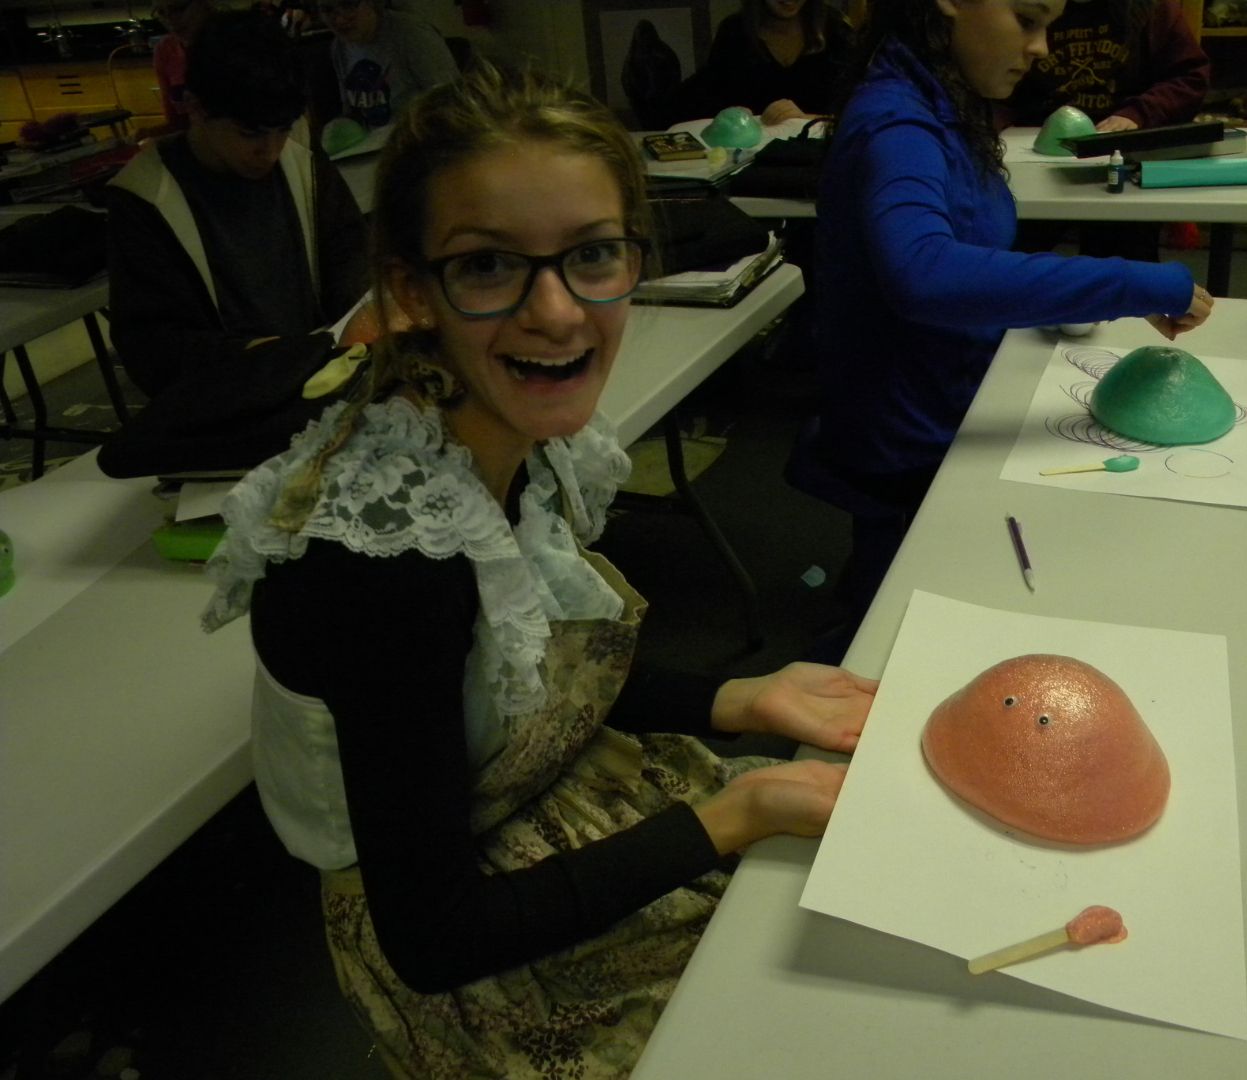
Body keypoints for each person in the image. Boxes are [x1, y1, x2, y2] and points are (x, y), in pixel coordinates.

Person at [201, 63, 874, 1078]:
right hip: (469, 933)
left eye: (593, 255)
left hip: (545, 798)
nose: (559, 313)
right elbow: (432, 938)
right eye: (487, 267)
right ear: (408, 288)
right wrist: (733, 813)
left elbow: (528, 676)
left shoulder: (506, 428)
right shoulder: (384, 561)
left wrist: (742, 698)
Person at [810, 0, 1212, 616]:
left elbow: (970, 241)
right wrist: (1132, 284)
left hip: (954, 393)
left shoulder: (947, 101)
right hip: (910, 433)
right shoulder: (898, 121)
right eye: (1027, 20)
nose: (1042, 48)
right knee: (895, 626)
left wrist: (1036, 299)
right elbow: (925, 272)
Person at [106, 10, 368, 399]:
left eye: (281, 130)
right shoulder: (145, 196)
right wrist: (258, 356)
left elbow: (353, 267)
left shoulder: (301, 163)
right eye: (250, 134)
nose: (270, 151)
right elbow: (150, 349)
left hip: (322, 381)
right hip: (224, 401)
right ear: (194, 106)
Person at [998, 0, 1210, 260]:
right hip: (1038, 152)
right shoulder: (1033, 6)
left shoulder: (1154, 9)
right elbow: (996, 89)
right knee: (1009, 253)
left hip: (1123, 152)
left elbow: (1190, 77)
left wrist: (1140, 113)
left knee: (1126, 261)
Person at [672, 0, 855, 125]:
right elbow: (712, 103)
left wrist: (805, 119)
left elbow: (857, 109)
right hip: (751, 159)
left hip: (820, 156)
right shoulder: (735, 32)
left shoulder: (835, 29)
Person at [319, 0, 460, 129]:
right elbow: (350, 110)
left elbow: (451, 100)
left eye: (349, 5)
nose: (339, 19)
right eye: (327, 10)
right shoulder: (339, 48)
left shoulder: (412, 34)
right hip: (371, 144)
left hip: (419, 136)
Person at [144, 0, 213, 137]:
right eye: (161, 12)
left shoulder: (234, 42)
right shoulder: (165, 49)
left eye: (178, 9)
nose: (170, 19)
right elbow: (176, 122)